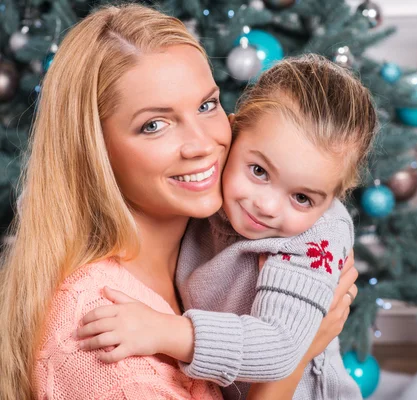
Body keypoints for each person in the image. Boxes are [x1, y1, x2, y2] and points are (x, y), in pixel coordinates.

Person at [0, 5, 356, 400]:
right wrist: (298, 356)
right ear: (94, 151)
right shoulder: (99, 330)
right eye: (154, 125)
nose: (204, 144)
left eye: (207, 106)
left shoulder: (266, 224)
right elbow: (281, 349)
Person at [76, 55, 377, 400]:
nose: (266, 206)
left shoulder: (315, 238)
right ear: (233, 133)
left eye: (302, 198)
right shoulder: (205, 196)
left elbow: (279, 348)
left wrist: (164, 331)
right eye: (259, 172)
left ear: (333, 199)